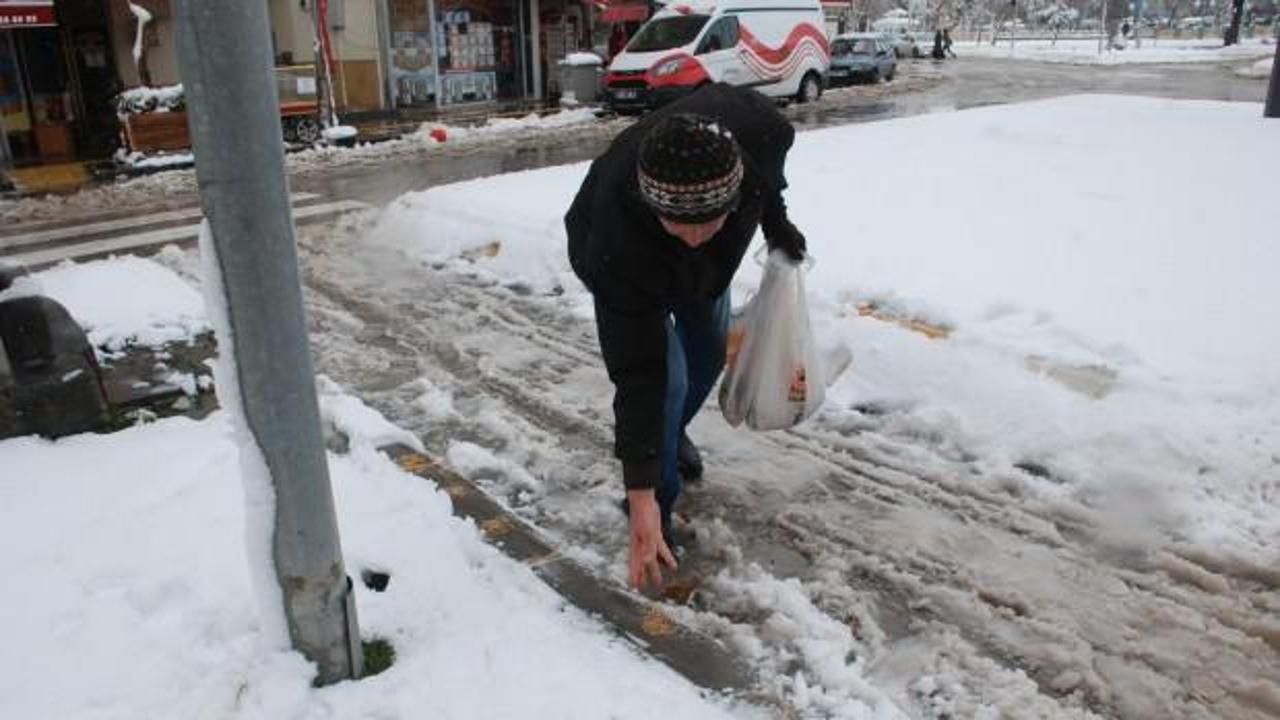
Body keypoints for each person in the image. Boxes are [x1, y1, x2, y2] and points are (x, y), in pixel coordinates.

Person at [565, 84, 806, 590]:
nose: (695, 237)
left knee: (709, 353)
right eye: (678, 224)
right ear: (652, 206)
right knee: (666, 383)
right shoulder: (617, 240)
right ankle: (663, 490)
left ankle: (669, 436)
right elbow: (639, 374)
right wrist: (642, 498)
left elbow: (768, 185)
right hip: (629, 262)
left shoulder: (764, 134)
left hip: (704, 274)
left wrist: (777, 226)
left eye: (709, 222)